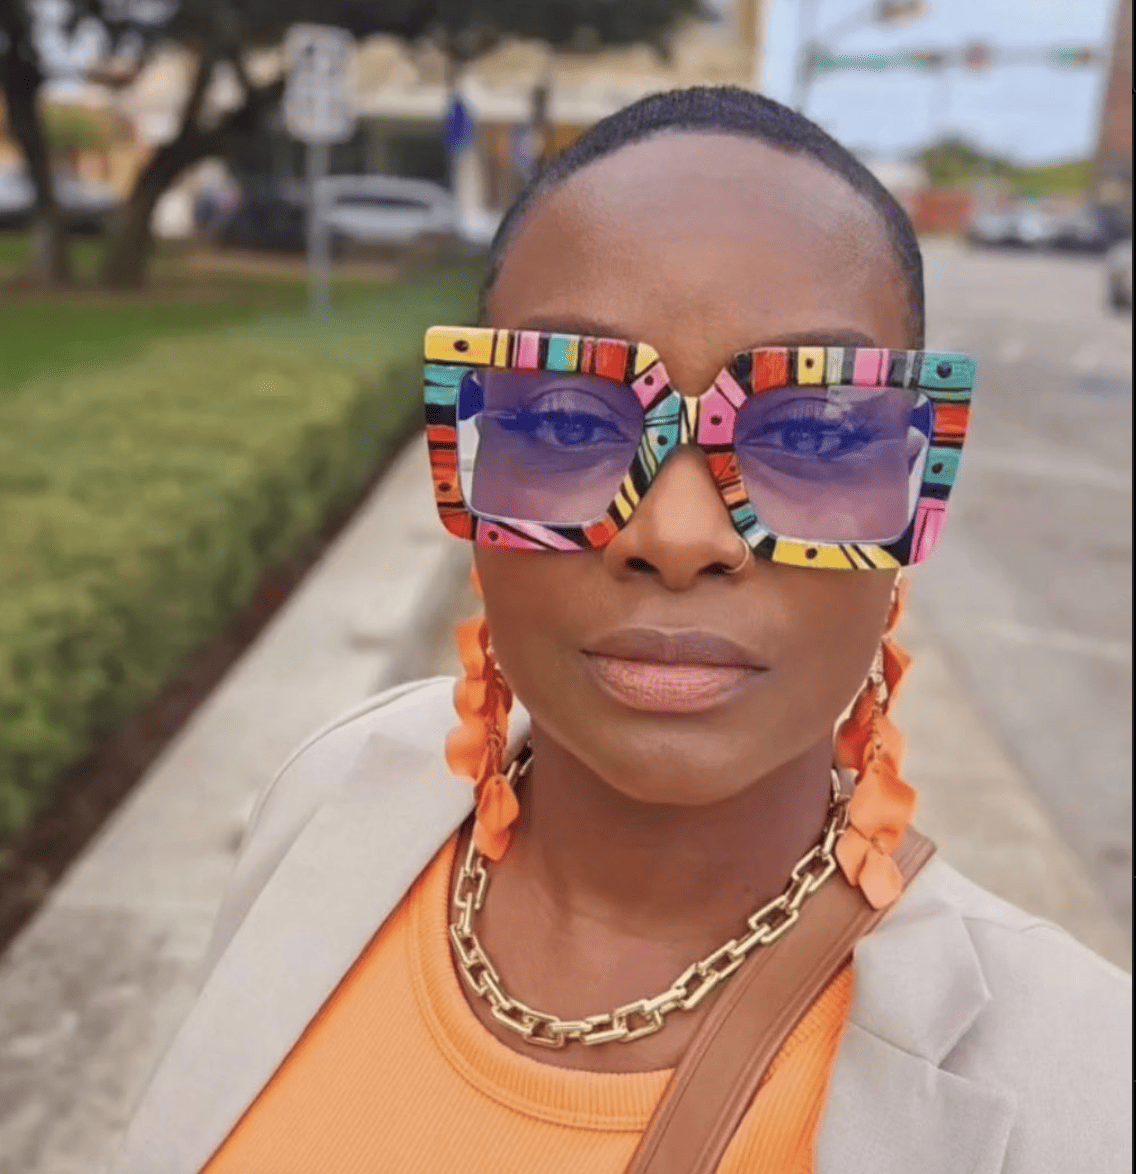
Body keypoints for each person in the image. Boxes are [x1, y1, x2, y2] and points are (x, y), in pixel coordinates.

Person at [109, 87, 1130, 1174]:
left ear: (910, 495)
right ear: (470, 455)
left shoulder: (1079, 1089)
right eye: (559, 417)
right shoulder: (329, 799)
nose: (676, 532)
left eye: (818, 427)